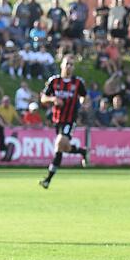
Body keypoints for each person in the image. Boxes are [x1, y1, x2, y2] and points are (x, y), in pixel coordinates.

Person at [39, 55, 88, 189]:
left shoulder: (78, 82)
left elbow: (85, 96)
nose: (69, 67)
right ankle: (81, 151)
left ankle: (48, 179)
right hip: (57, 119)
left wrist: (84, 103)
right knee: (63, 148)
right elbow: (43, 98)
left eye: (72, 64)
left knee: (59, 144)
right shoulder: (54, 81)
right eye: (67, 64)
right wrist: (53, 99)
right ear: (61, 65)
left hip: (70, 119)